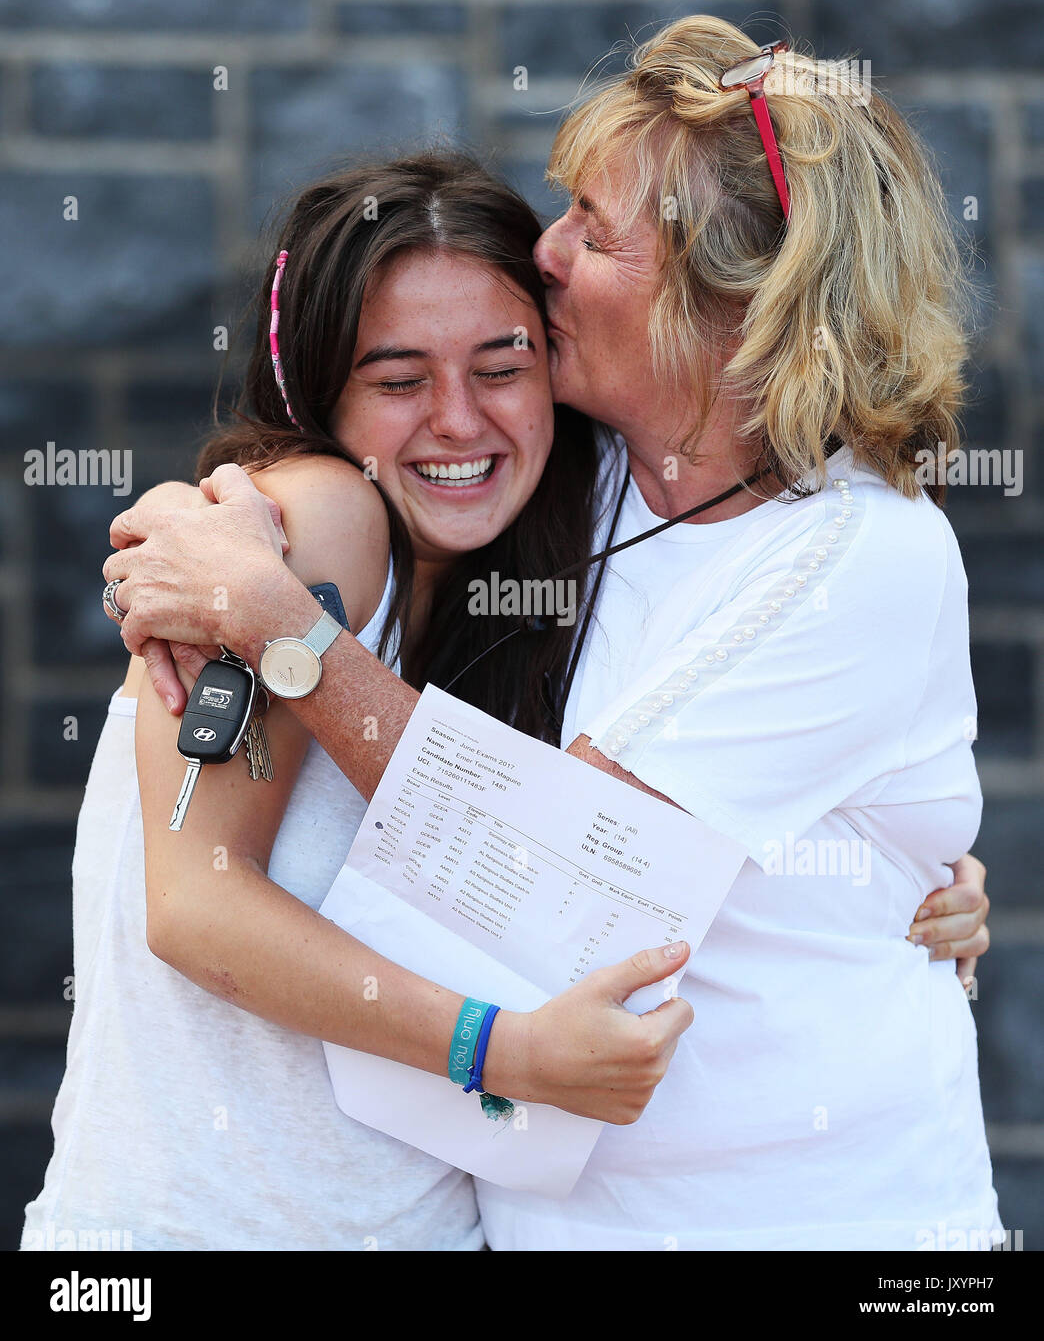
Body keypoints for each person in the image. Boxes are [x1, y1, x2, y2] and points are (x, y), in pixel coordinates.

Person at [102, 17, 997, 1250]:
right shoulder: (575, 482)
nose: (548, 248)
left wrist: (281, 633)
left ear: (732, 300)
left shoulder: (863, 555)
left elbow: (563, 869)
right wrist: (194, 519)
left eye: (595, 225)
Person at [22, 154, 706, 1253]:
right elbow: (194, 904)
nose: (458, 419)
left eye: (502, 365)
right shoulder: (315, 523)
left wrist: (913, 875)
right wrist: (501, 1048)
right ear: (319, 395)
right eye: (398, 380)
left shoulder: (526, 593)